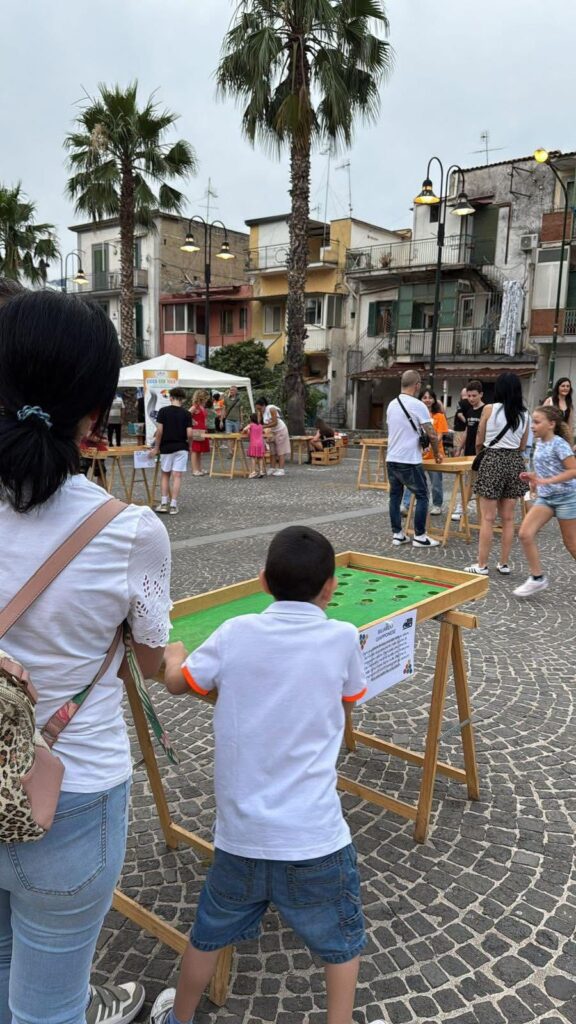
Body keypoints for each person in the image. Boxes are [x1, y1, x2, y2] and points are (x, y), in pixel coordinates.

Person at [0, 289, 172, 1024]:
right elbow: (159, 663)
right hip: (73, 790)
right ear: (96, 414)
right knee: (50, 1002)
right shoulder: (129, 529)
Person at [151, 526, 368, 1024]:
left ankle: (179, 1017)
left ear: (263, 581)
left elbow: (179, 683)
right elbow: (351, 697)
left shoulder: (235, 631)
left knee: (207, 934)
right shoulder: (341, 637)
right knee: (341, 943)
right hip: (316, 838)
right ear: (331, 586)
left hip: (241, 836)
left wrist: (177, 653)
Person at [465, 371, 529, 576]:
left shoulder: (490, 409)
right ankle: (504, 563)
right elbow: (521, 445)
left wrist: (480, 453)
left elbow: (479, 439)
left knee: (488, 518)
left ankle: (481, 565)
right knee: (508, 519)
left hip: (492, 459)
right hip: (514, 462)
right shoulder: (525, 414)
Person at [513, 405, 576, 597]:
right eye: (532, 421)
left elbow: (573, 470)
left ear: (551, 424)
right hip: (547, 498)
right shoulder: (539, 443)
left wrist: (547, 480)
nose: (532, 426)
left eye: (537, 422)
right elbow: (546, 469)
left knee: (572, 544)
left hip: (567, 498)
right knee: (525, 533)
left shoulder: (560, 444)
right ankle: (537, 578)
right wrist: (532, 477)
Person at [386, 369, 441, 549]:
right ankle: (420, 536)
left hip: (391, 458)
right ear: (417, 385)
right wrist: (437, 453)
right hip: (409, 459)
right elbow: (432, 434)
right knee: (423, 495)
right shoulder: (418, 405)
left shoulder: (392, 404)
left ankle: (398, 535)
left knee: (395, 496)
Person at [402, 388, 449, 515]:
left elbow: (439, 435)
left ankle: (437, 505)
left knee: (436, 482)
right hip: (419, 454)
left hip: (435, 454)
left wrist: (430, 445)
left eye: (430, 397)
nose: (427, 400)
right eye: (424, 397)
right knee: (412, 480)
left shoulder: (439, 416)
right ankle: (406, 505)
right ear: (420, 399)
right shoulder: (416, 415)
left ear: (434, 400)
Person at [152, 387, 193, 515]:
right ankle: (174, 505)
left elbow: (159, 432)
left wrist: (156, 447)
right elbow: (190, 433)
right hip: (182, 447)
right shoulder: (187, 413)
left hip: (166, 448)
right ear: (183, 399)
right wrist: (190, 446)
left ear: (170, 398)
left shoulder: (163, 411)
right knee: (177, 476)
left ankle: (164, 503)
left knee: (165, 475)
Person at [452, 380, 485, 521]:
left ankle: (467, 508)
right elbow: (467, 430)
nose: (471, 399)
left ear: (481, 394)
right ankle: (462, 507)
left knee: (477, 482)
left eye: (474, 396)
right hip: (469, 451)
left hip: (481, 453)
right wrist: (459, 448)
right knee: (469, 481)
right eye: (469, 396)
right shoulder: (470, 410)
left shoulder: (486, 410)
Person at [255, 396, 291, 476]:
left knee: (280, 450)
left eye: (259, 408)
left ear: (264, 405)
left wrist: (263, 427)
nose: (259, 410)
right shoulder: (262, 412)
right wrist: (259, 415)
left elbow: (275, 422)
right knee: (272, 450)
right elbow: (261, 423)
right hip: (272, 431)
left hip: (280, 430)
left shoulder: (271, 408)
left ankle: (281, 469)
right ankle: (272, 468)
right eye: (257, 409)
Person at [544, 377, 574, 443]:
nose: (565, 388)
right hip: (550, 437)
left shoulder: (569, 405)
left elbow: (570, 425)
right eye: (563, 386)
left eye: (568, 386)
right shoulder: (550, 401)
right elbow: (543, 419)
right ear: (558, 387)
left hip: (563, 439)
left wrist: (570, 441)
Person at [189, 389, 210, 476]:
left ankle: (199, 468)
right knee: (195, 450)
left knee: (199, 451)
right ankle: (194, 470)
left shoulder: (201, 406)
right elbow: (187, 414)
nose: (207, 399)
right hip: (196, 430)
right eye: (206, 397)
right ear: (202, 397)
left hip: (202, 429)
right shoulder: (195, 406)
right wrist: (193, 421)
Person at [242, 412, 266, 478]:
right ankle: (261, 471)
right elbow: (263, 432)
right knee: (260, 458)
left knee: (253, 457)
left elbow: (244, 429)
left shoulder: (251, 425)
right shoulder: (261, 425)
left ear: (251, 419)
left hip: (254, 443)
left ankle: (253, 472)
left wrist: (244, 432)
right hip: (261, 444)